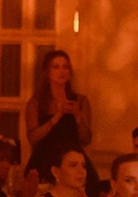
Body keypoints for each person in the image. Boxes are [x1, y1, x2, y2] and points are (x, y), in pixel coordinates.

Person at [22, 49, 93, 178]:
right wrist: (57, 117)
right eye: (56, 67)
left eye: (65, 67)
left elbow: (86, 139)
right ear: (47, 72)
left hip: (73, 161)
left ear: (70, 72)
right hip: (44, 160)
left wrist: (78, 115)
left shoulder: (80, 101)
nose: (61, 71)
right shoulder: (36, 102)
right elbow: (33, 138)